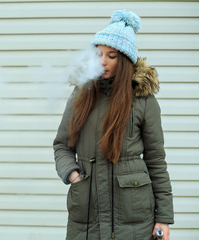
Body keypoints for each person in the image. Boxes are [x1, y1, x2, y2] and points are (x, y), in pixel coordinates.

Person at [53, 9, 174, 240]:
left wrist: (164, 218)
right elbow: (61, 145)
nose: (103, 61)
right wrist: (73, 175)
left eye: (111, 55)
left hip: (134, 217)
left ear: (126, 59)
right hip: (87, 215)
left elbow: (156, 161)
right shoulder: (81, 94)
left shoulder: (143, 100)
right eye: (98, 54)